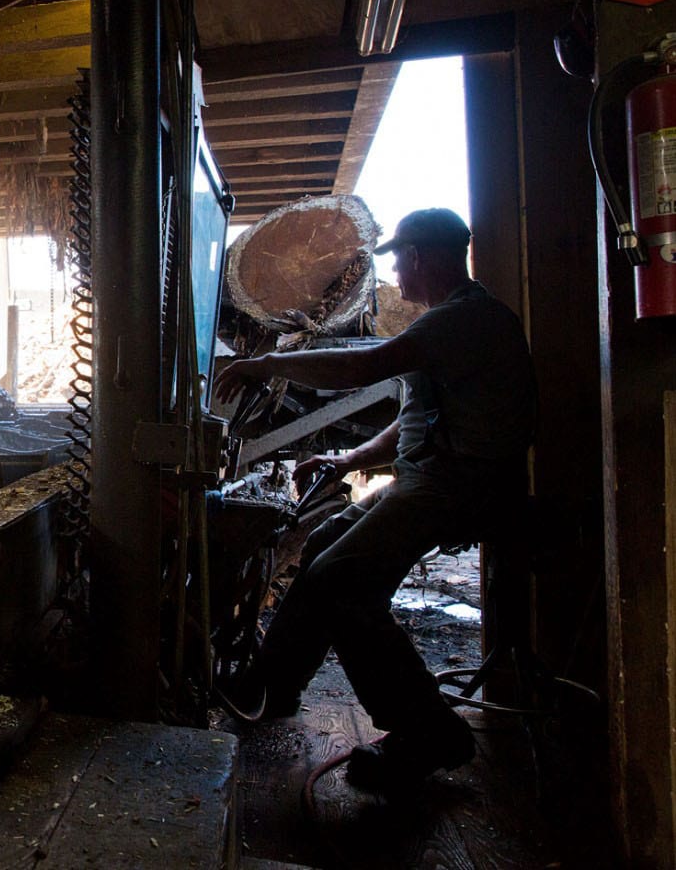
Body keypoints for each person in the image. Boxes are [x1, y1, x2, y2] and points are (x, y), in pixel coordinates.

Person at [211, 208, 536, 794]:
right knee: (323, 544)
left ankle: (429, 732)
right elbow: (417, 421)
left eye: (397, 260)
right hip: (435, 477)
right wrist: (348, 461)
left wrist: (269, 362)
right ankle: (270, 686)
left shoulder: (464, 319)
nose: (396, 274)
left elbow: (366, 365)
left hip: (462, 485)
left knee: (343, 580)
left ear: (418, 257)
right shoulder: (450, 321)